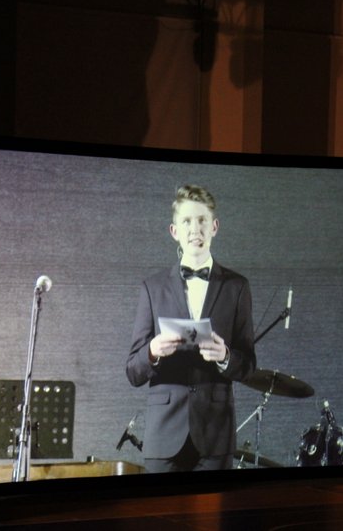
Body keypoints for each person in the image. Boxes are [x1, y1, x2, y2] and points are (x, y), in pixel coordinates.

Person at [126, 184, 256, 473]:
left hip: (216, 434)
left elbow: (248, 366)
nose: (195, 229)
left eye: (202, 220)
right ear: (174, 231)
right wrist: (152, 351)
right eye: (186, 221)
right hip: (163, 434)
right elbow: (133, 372)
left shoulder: (237, 287)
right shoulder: (152, 288)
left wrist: (225, 356)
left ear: (214, 227)